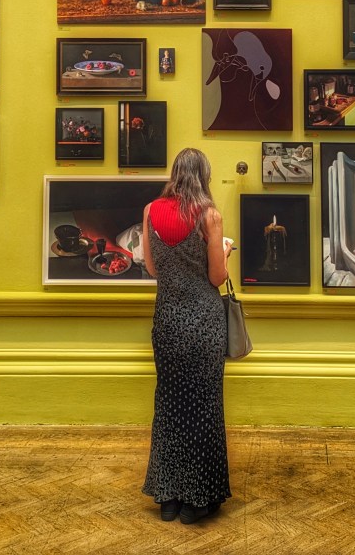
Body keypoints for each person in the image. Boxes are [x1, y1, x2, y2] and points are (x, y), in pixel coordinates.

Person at [142, 148, 233, 525]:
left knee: (169, 405)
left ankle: (169, 498)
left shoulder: (150, 211)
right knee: (204, 408)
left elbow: (151, 267)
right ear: (204, 176)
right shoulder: (210, 216)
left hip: (168, 321)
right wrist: (225, 252)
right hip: (204, 323)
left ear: (175, 174)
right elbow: (216, 277)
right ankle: (199, 501)